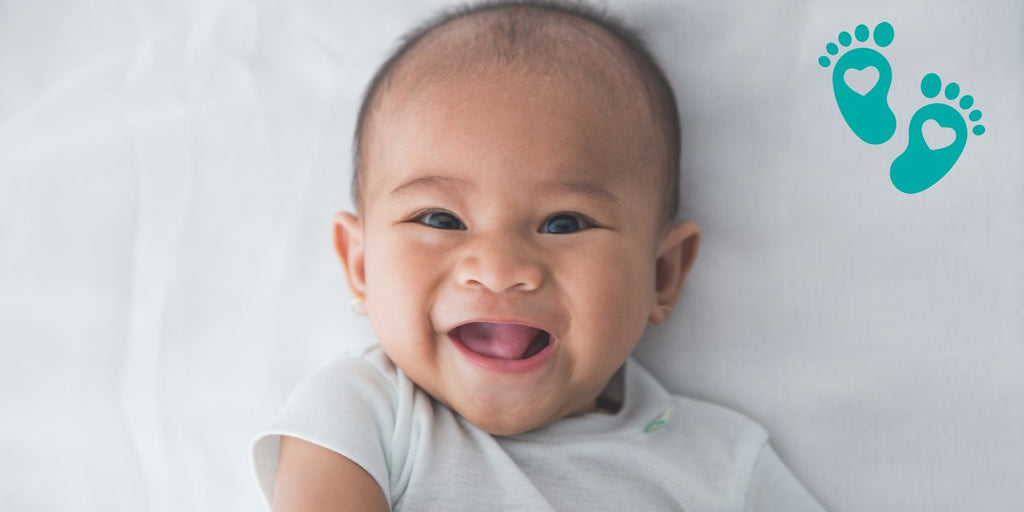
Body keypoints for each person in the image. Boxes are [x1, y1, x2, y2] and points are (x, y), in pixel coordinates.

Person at [252, 1, 827, 510]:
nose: (500, 269)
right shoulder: (365, 417)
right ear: (360, 264)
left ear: (661, 274)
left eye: (563, 223)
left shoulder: (723, 462)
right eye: (440, 219)